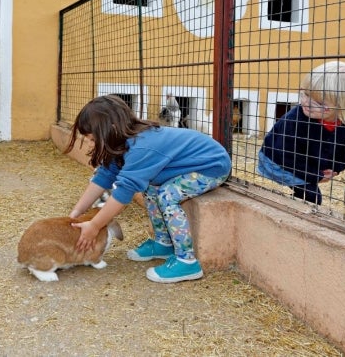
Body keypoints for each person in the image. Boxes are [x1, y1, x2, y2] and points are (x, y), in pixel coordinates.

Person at [64, 95, 231, 283]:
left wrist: (95, 226)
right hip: (185, 167)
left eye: (92, 139)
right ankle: (163, 244)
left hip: (210, 166)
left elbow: (123, 193)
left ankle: (187, 262)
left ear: (110, 130)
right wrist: (76, 213)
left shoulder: (142, 147)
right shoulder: (122, 143)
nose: (90, 144)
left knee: (167, 196)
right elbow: (103, 177)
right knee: (151, 190)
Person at [258, 61, 345, 204]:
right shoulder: (296, 118)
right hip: (276, 161)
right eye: (306, 94)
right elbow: (287, 155)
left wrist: (335, 169)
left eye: (320, 103)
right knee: (312, 197)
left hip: (308, 162)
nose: (306, 103)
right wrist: (315, 175)